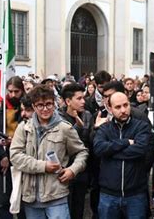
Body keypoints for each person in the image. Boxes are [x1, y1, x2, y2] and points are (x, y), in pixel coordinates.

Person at [10, 85, 88, 219]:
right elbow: (15, 156)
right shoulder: (24, 128)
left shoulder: (64, 128)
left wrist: (72, 170)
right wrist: (43, 166)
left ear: (54, 104)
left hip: (56, 193)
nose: (45, 109)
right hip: (31, 196)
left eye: (48, 104)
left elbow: (82, 152)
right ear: (34, 107)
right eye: (40, 105)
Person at [94, 92, 152, 218]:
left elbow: (140, 150)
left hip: (135, 194)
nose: (123, 110)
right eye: (118, 107)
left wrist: (110, 152)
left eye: (126, 105)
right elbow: (99, 149)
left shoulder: (141, 126)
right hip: (108, 195)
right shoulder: (104, 129)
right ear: (109, 108)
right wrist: (125, 142)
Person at [0, 76, 25, 219]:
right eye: (10, 91)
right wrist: (2, 156)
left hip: (22, 157)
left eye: (16, 91)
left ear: (22, 91)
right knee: (4, 199)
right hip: (3, 158)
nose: (13, 95)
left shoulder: (25, 108)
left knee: (22, 199)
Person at [59, 83, 93, 219]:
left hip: (82, 170)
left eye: (83, 98)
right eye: (79, 99)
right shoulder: (58, 117)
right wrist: (78, 126)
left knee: (79, 208)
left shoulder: (87, 115)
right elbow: (66, 141)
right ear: (68, 101)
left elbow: (87, 141)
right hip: (64, 170)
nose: (83, 102)